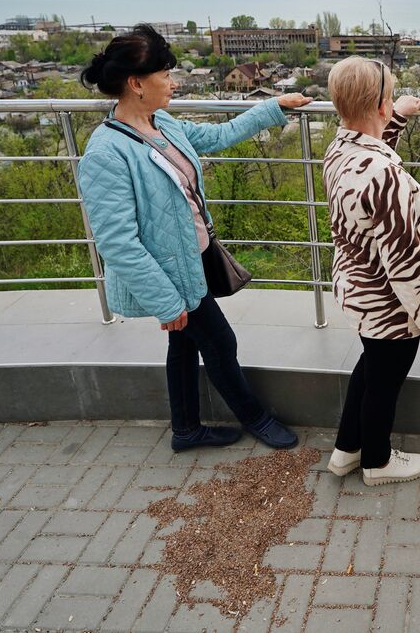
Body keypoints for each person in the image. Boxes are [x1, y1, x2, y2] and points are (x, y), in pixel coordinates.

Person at [77, 24, 312, 452]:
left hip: (194, 254)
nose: (174, 82)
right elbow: (117, 243)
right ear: (136, 84)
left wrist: (274, 107)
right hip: (170, 273)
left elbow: (216, 137)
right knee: (220, 342)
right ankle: (255, 418)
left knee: (184, 344)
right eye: (165, 75)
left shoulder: (160, 122)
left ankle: (185, 429)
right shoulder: (105, 154)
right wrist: (165, 301)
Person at [321, 56, 420, 485]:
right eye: (389, 98)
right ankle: (378, 461)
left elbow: (369, 154)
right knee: (385, 380)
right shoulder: (389, 178)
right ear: (379, 107)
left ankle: (346, 449)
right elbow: (405, 262)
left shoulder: (339, 152)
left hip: (357, 288)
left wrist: (397, 120)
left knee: (371, 367)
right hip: (390, 303)